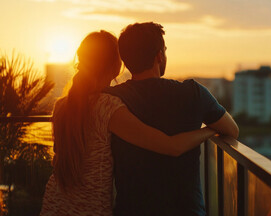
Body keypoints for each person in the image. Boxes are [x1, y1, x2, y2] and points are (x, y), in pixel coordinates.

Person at [40, 31, 218, 216]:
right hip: (90, 210)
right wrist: (209, 130)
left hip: (53, 205)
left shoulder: (61, 107)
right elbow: (171, 146)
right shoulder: (107, 107)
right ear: (116, 65)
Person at [104, 22, 239, 216]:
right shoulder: (193, 93)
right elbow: (232, 130)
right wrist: (208, 130)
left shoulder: (112, 98)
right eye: (165, 50)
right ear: (159, 56)